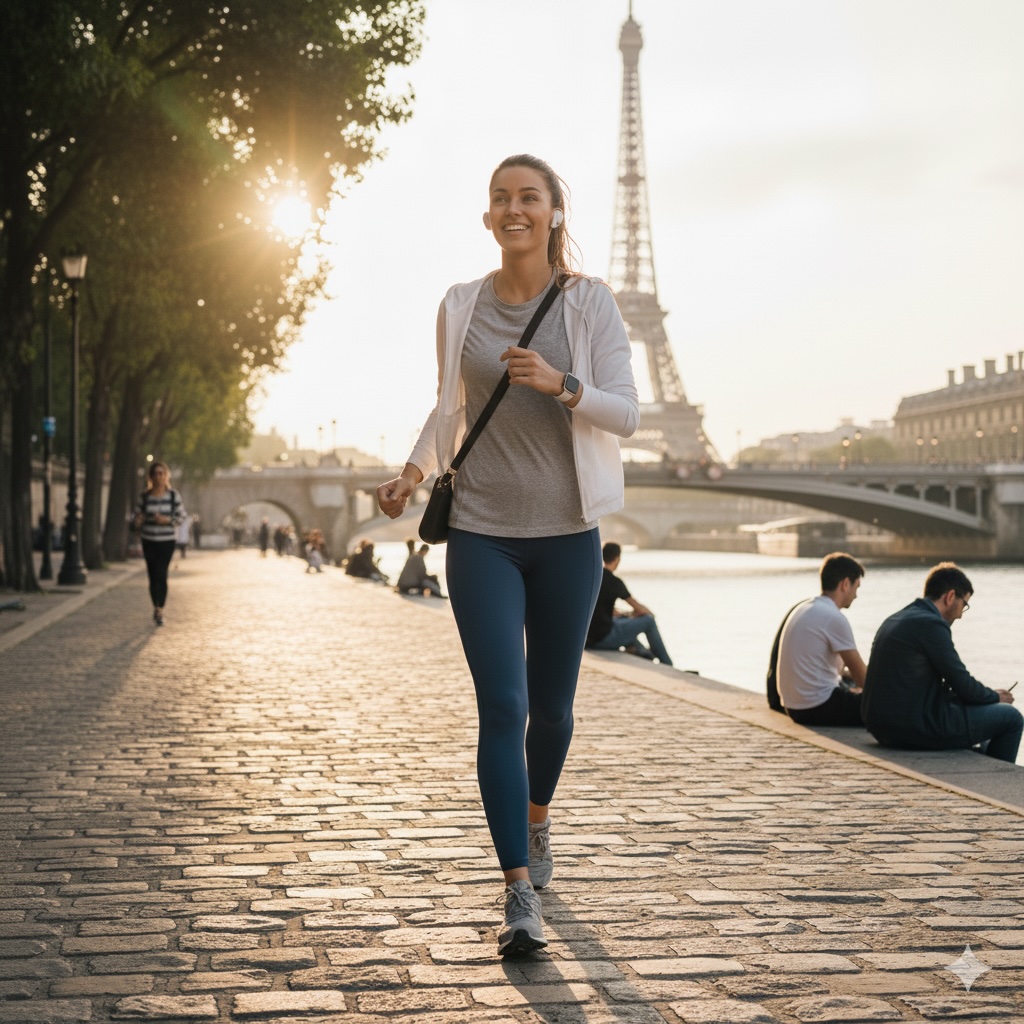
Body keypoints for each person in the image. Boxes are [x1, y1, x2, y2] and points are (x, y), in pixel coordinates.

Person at [376, 154, 638, 957]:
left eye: (530, 197)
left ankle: (537, 819)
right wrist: (412, 473)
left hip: (567, 536)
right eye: (501, 199)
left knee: (553, 714)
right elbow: (448, 408)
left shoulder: (592, 305)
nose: (514, 209)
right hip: (483, 534)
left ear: (556, 212)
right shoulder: (459, 305)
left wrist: (562, 385)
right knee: (505, 708)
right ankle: (517, 889)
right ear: (487, 217)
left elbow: (625, 414)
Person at [861, 562, 1021, 762]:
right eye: (965, 604)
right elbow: (963, 684)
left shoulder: (896, 618)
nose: (962, 614)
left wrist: (987, 697)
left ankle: (981, 762)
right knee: (1010, 717)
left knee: (987, 715)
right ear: (951, 596)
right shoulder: (932, 624)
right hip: (911, 729)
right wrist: (995, 697)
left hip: (881, 726)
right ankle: (1000, 781)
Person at [775, 552, 867, 726]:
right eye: (857, 587)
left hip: (794, 706)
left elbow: (821, 667)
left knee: (852, 685)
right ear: (845, 584)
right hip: (817, 707)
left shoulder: (804, 608)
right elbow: (862, 677)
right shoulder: (833, 617)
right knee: (888, 701)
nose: (856, 595)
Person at [585, 542, 673, 665]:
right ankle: (667, 663)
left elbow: (600, 609)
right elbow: (638, 607)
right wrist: (650, 614)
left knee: (624, 619)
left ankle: (642, 652)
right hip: (602, 639)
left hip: (588, 638)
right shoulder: (614, 582)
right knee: (648, 621)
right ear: (617, 559)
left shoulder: (593, 577)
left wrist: (628, 615)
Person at [133, 461, 186, 626]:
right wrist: (139, 520)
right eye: (155, 473)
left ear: (166, 476)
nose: (158, 476)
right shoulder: (145, 497)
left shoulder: (173, 496)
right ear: (151, 476)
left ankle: (159, 608)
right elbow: (135, 517)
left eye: (161, 473)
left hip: (166, 541)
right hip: (148, 540)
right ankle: (155, 604)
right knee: (152, 575)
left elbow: (182, 516)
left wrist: (166, 520)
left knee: (162, 574)